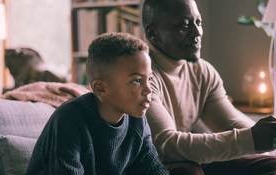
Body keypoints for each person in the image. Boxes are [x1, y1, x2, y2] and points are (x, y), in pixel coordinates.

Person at [141, 0, 276, 174]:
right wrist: (252, 139)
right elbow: (167, 146)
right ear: (153, 34)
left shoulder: (203, 71)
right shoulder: (142, 76)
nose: (197, 32)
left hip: (189, 160)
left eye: (198, 22)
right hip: (154, 164)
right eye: (184, 26)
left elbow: (231, 123)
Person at [26, 33, 169, 175]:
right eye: (136, 81)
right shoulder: (69, 119)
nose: (148, 89)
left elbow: (155, 170)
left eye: (149, 79)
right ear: (100, 88)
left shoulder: (137, 120)